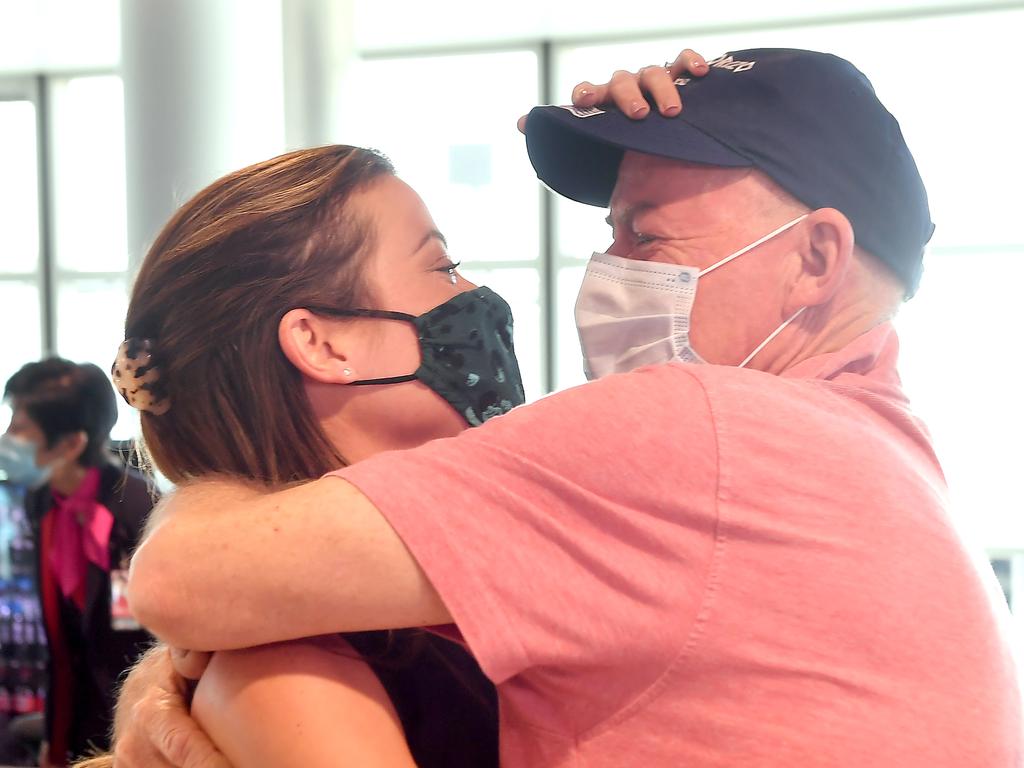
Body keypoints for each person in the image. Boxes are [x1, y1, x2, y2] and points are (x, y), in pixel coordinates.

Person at [132, 48, 1023, 765]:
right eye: (613, 233)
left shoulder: (706, 432)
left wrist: (190, 672)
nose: (612, 269)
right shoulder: (883, 462)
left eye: (649, 232)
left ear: (817, 259)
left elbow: (182, 583)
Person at [70, 143, 511, 768]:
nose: (474, 294)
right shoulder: (287, 671)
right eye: (443, 267)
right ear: (319, 343)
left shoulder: (388, 607)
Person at [0, 358, 154, 767]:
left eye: (19, 429)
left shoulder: (133, 510)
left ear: (70, 445)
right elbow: (61, 636)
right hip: (77, 704)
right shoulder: (42, 499)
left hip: (134, 709)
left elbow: (133, 638)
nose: (5, 440)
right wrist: (56, 736)